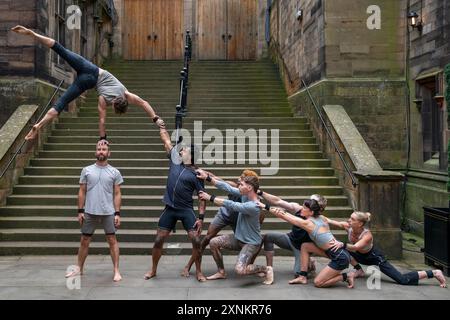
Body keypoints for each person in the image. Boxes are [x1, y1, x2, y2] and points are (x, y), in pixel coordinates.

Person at [11, 25, 165, 141]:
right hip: (87, 81)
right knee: (62, 102)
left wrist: (156, 118)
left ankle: (32, 33)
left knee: (60, 49)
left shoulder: (126, 93)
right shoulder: (104, 100)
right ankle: (39, 125)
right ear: (116, 107)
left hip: (91, 69)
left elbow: (144, 103)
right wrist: (102, 138)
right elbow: (102, 120)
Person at [144, 121, 207, 282]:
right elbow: (166, 141)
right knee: (158, 239)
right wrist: (162, 127)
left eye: (185, 150)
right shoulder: (175, 160)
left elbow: (202, 198)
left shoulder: (197, 174)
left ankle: (198, 271)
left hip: (186, 210)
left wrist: (201, 218)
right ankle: (153, 270)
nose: (182, 150)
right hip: (170, 208)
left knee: (196, 241)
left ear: (190, 155)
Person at [326, 211, 447, 288]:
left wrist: (343, 244)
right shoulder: (349, 227)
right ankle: (359, 270)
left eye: (352, 219)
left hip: (374, 257)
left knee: (402, 280)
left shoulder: (367, 235)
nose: (348, 220)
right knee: (343, 252)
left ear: (360, 224)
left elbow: (357, 246)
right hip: (359, 255)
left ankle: (434, 273)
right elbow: (330, 221)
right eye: (350, 218)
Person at [181, 169, 262, 278]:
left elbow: (234, 205)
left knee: (243, 262)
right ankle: (202, 267)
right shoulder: (240, 190)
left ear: (249, 186)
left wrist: (210, 197)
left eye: (242, 179)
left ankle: (253, 267)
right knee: (210, 240)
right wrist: (206, 176)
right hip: (226, 216)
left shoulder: (253, 203)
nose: (239, 179)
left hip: (241, 224)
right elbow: (223, 184)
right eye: (241, 177)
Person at [260, 199, 354, 288]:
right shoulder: (321, 217)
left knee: (318, 283)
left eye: (305, 208)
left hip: (339, 257)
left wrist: (266, 206)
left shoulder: (309, 224)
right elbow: (290, 216)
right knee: (305, 246)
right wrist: (343, 225)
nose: (302, 208)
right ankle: (303, 276)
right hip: (330, 251)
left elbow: (286, 217)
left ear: (311, 212)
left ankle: (346, 276)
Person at [65, 140, 123, 282]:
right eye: (99, 149)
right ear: (95, 152)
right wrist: (80, 210)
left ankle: (116, 270)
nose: (101, 151)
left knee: (112, 240)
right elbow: (82, 191)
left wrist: (117, 213)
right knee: (84, 240)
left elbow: (117, 194)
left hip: (108, 212)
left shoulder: (114, 172)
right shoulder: (87, 170)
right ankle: (79, 268)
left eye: (104, 149)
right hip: (90, 211)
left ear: (109, 153)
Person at [198, 176, 274, 285]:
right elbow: (227, 187)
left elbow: (232, 204)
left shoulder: (254, 205)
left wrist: (210, 197)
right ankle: (221, 272)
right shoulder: (244, 195)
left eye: (242, 184)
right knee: (213, 242)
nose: (239, 186)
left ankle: (266, 269)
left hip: (251, 243)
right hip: (238, 238)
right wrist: (208, 178)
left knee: (240, 270)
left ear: (249, 187)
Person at [258, 191, 327, 282]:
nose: (307, 203)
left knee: (298, 273)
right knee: (268, 237)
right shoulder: (299, 208)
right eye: (309, 201)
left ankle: (310, 265)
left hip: (303, 249)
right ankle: (269, 269)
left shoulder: (317, 220)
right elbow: (278, 201)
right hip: (290, 239)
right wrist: (261, 193)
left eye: (312, 202)